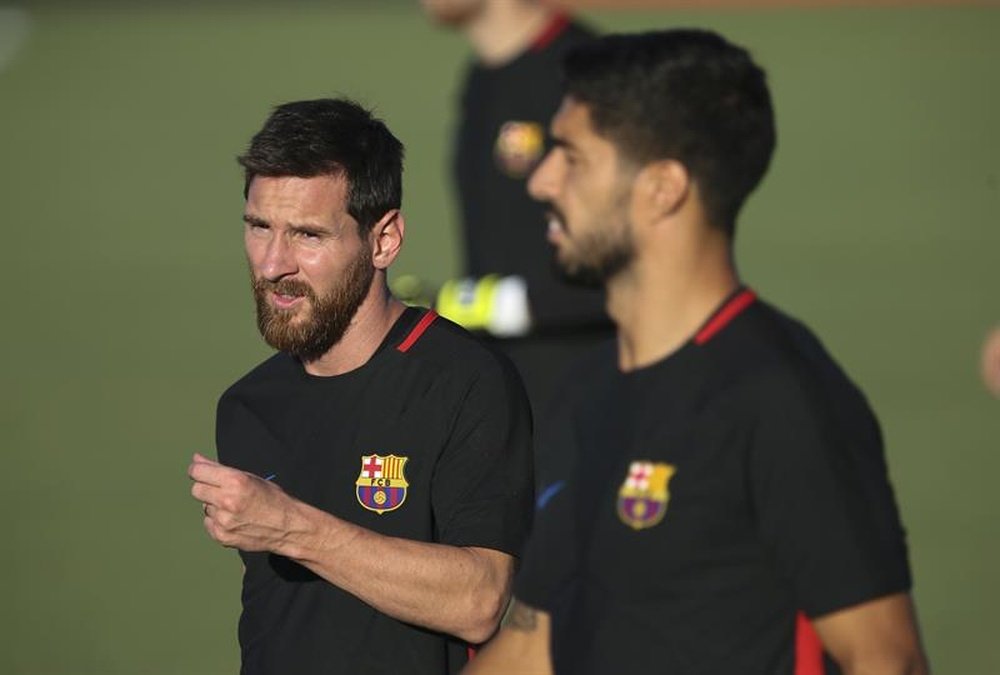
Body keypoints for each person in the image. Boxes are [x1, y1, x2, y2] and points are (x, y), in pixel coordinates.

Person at [464, 30, 930, 675]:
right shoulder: (584, 389)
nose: (541, 182)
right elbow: (531, 641)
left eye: (571, 156)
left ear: (664, 187)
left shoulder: (778, 394)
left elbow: (887, 659)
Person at [187, 98, 533, 675]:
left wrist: (291, 526)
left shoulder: (466, 382)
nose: (273, 265)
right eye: (259, 228)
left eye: (308, 235)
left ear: (384, 240)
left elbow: (479, 602)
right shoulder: (248, 406)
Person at [421, 0, 614, 445]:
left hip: (585, 393)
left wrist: (495, 304)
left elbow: (639, 258)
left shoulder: (588, 71)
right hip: (503, 389)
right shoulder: (481, 76)